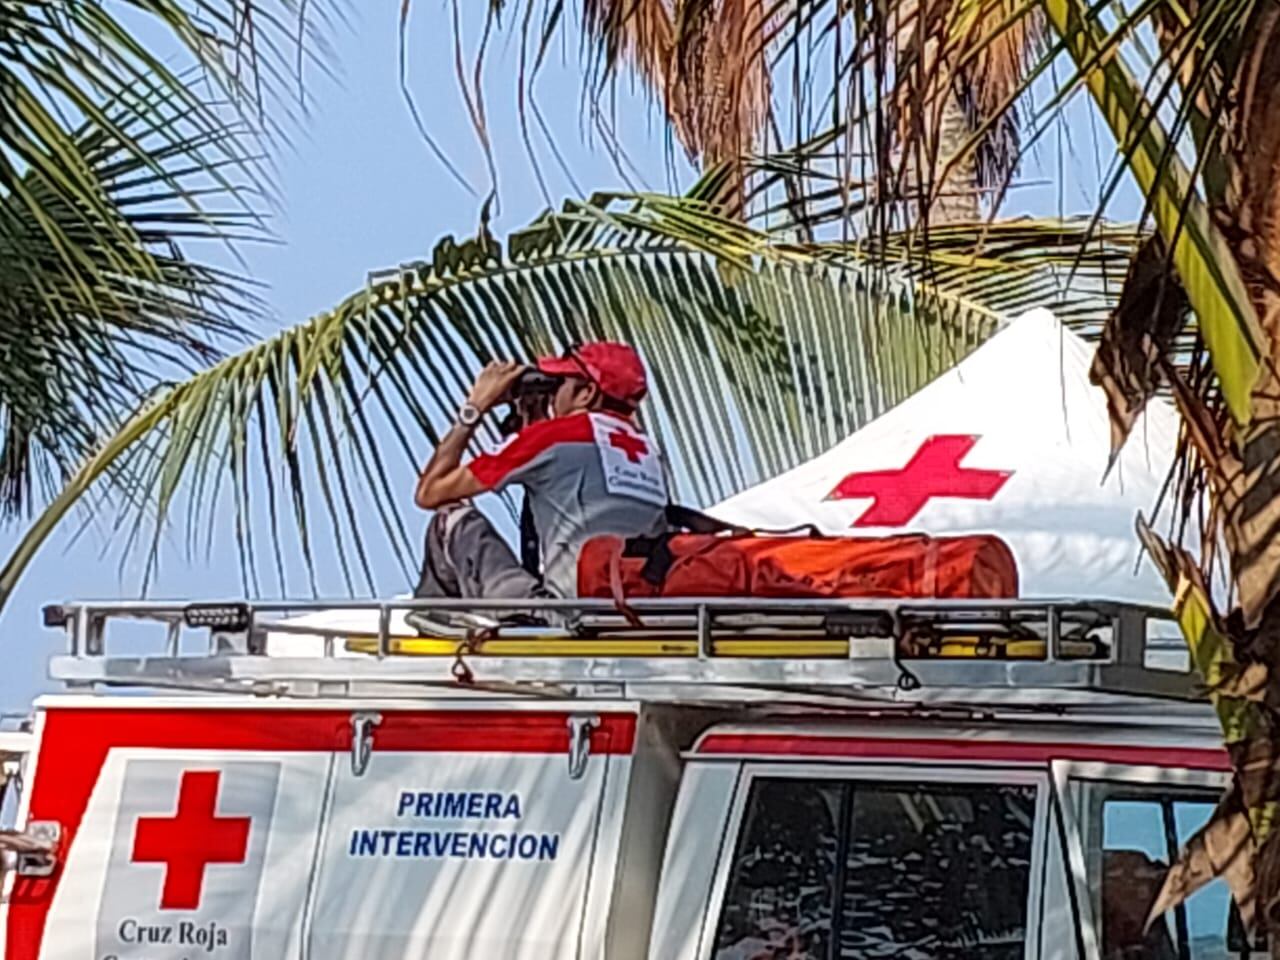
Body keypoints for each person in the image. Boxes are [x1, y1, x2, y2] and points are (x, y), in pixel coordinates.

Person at [412, 342, 669, 623]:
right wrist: (532, 420)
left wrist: (475, 407)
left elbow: (431, 492)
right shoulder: (648, 452)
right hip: (632, 610)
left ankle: (436, 634)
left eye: (559, 383)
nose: (553, 393)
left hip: (564, 616)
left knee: (449, 520)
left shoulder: (554, 436)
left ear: (586, 393)